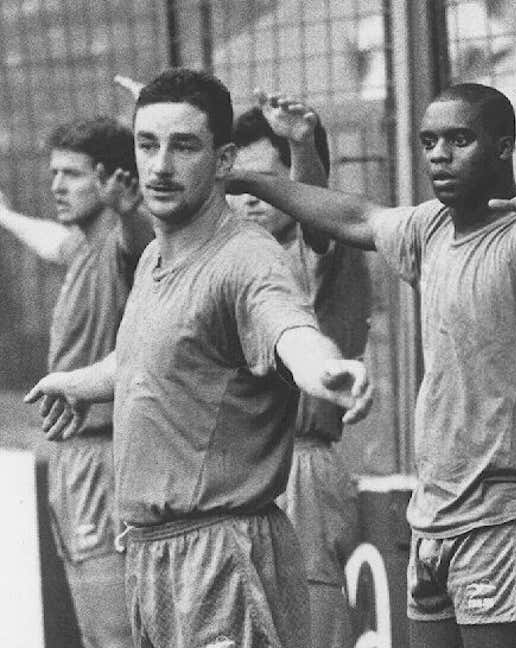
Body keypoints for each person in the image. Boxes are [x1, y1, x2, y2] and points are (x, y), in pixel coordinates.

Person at [228, 82, 516, 648]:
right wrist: (242, 178)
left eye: (460, 139)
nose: (439, 154)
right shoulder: (430, 226)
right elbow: (351, 216)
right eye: (429, 140)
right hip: (435, 517)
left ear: (503, 147)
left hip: (510, 517)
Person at [24, 68, 374, 648]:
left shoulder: (246, 257)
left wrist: (324, 368)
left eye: (184, 146)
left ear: (223, 160)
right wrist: (78, 381)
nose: (160, 166)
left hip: (223, 552)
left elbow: (287, 325)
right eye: (147, 144)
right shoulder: (156, 259)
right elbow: (147, 356)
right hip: (154, 551)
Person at [0, 116, 150, 648]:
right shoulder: (82, 247)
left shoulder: (121, 245)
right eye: (54, 173)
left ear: (112, 181)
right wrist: (6, 215)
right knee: (95, 632)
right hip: (74, 459)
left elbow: (139, 241)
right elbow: (51, 241)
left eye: (72, 174)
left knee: (117, 635)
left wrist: (130, 211)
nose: (56, 186)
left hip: (105, 458)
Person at [230, 94, 371, 648]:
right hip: (247, 469)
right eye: (241, 182)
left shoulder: (317, 247)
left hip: (302, 468)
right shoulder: (243, 259)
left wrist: (301, 144)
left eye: (267, 180)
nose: (250, 196)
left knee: (309, 631)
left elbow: (315, 209)